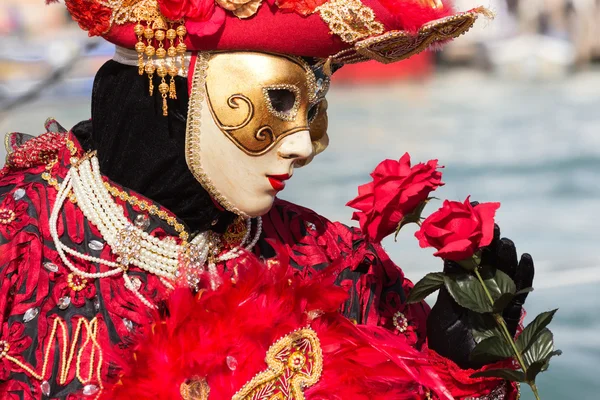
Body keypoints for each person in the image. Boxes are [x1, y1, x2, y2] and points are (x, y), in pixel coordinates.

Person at [0, 0, 534, 398]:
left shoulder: (332, 259)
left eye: (316, 107)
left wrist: (460, 365)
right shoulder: (15, 236)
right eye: (279, 100)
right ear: (173, 89)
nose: (305, 144)